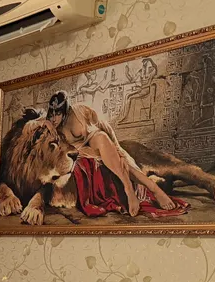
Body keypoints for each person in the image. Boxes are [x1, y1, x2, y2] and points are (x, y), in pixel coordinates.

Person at [46, 90, 176, 216]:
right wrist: (46, 122)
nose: (54, 119)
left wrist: (119, 151)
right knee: (115, 161)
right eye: (51, 115)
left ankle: (134, 190)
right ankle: (151, 188)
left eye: (58, 113)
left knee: (106, 142)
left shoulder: (80, 111)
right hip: (84, 150)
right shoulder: (52, 126)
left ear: (65, 110)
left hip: (100, 141)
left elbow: (105, 128)